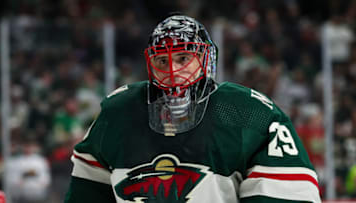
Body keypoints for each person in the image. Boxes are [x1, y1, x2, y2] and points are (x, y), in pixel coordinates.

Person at [65, 14, 321, 203]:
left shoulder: (248, 112)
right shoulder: (118, 112)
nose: (173, 70)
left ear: (206, 59)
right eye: (162, 60)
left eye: (183, 58)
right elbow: (86, 192)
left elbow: (291, 197)